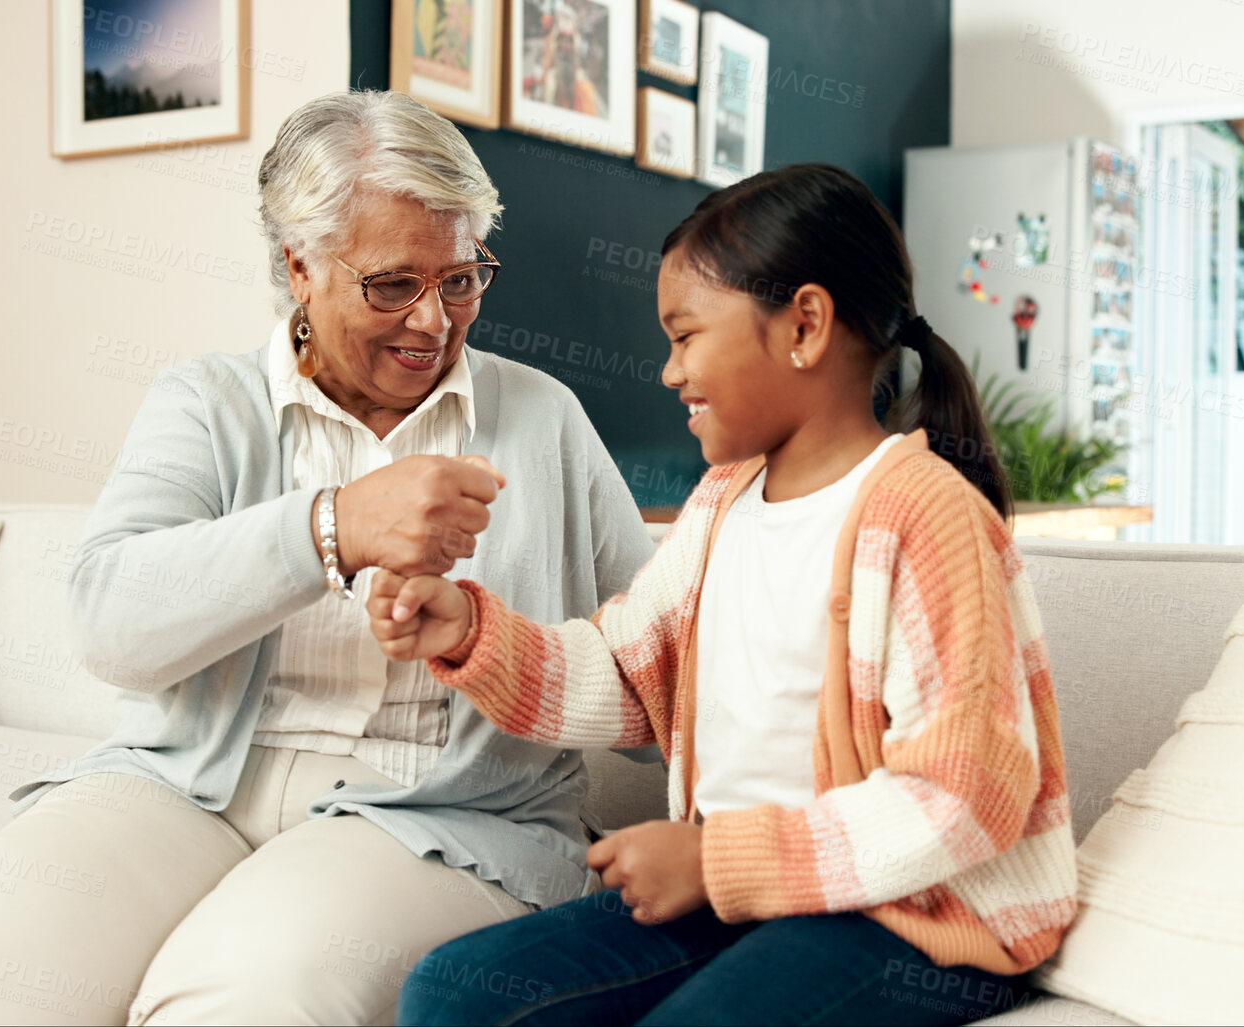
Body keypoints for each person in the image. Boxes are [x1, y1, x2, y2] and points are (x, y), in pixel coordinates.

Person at [0, 90, 654, 1026]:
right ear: (301, 267)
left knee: (246, 991)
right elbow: (110, 623)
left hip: (434, 810)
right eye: (392, 283)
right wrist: (331, 526)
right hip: (186, 781)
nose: (435, 320)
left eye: (462, 278)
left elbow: (653, 642)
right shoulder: (205, 401)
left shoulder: (543, 417)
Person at [370, 164, 1077, 1026]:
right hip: (750, 892)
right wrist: (468, 631)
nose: (669, 372)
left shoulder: (924, 516)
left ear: (804, 326)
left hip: (913, 919)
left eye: (685, 336)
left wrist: (713, 858)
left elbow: (964, 796)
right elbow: (629, 674)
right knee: (452, 994)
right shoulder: (721, 504)